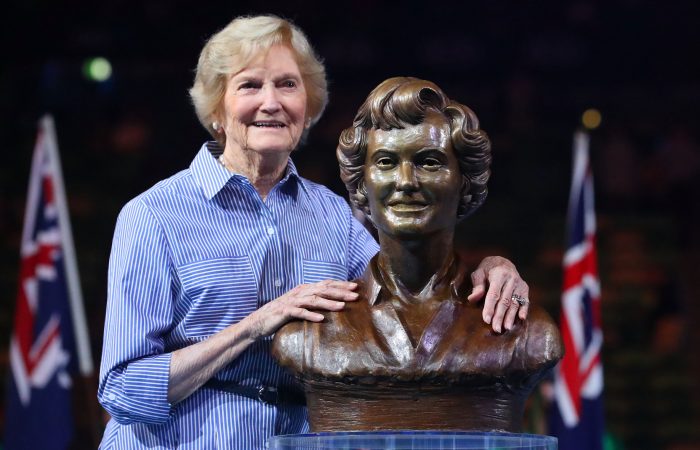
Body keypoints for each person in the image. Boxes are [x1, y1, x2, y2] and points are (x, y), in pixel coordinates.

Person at [98, 16, 532, 449]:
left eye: (288, 85)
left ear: (308, 107)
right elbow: (122, 389)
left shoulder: (334, 215)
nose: (271, 102)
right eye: (250, 86)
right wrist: (255, 326)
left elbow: (409, 288)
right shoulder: (153, 216)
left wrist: (494, 267)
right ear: (216, 109)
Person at [273, 77, 562, 433]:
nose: (406, 180)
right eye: (385, 162)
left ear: (465, 181)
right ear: (361, 185)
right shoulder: (307, 335)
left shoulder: (529, 333)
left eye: (429, 161)